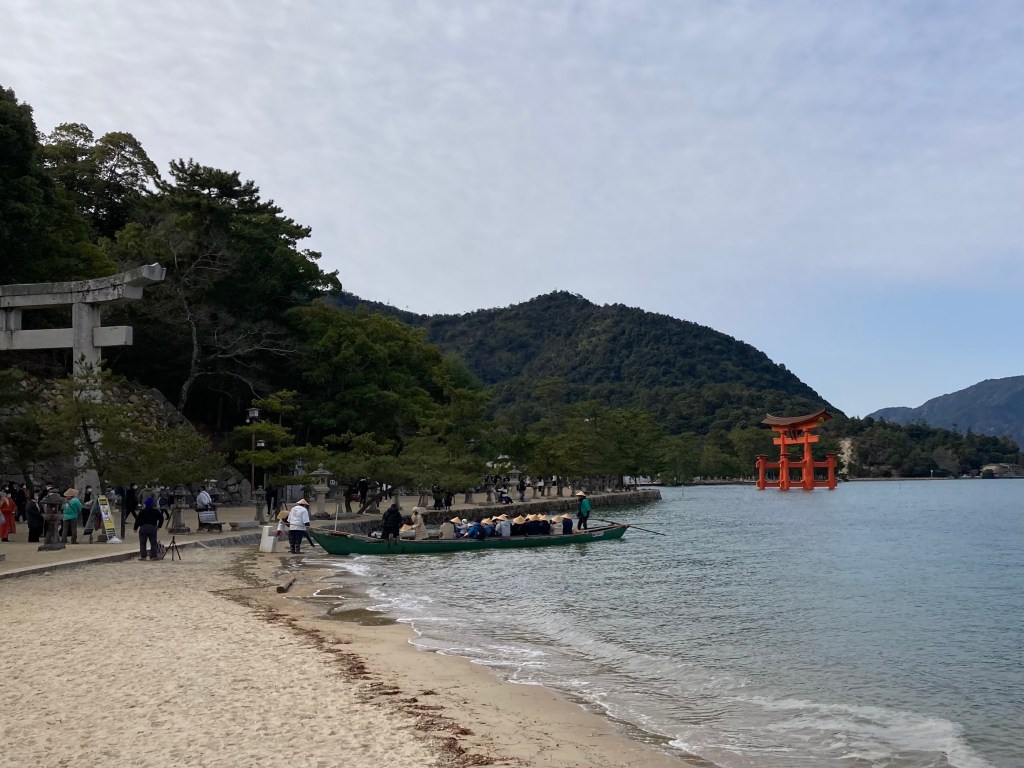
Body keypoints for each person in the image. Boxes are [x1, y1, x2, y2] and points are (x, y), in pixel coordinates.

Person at [134, 496, 163, 560]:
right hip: (152, 527)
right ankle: (154, 556)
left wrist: (135, 528)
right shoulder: (155, 511)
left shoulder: (142, 511)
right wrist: (159, 526)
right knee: (153, 542)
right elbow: (161, 518)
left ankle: (143, 556)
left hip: (143, 528)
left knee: (142, 543)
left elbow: (138, 520)